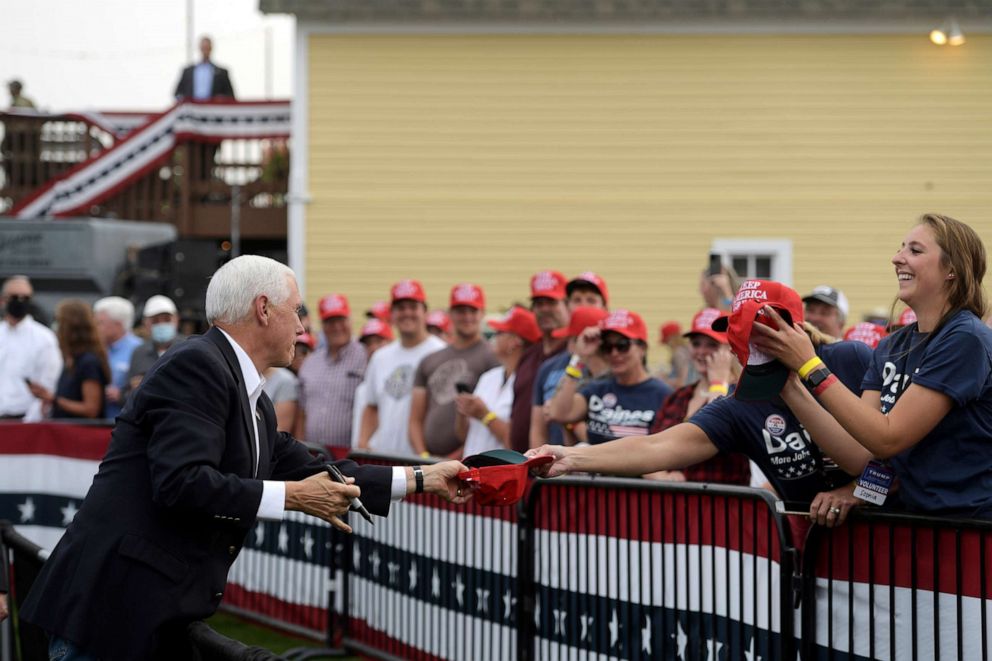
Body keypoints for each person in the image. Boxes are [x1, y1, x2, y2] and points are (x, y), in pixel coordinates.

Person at [20, 255, 470, 661]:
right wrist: (293, 498)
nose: (302, 327)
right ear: (263, 308)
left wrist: (423, 477)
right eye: (296, 310)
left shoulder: (248, 392)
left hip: (139, 617)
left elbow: (314, 468)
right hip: (107, 621)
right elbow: (182, 483)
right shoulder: (197, 366)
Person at [529, 280, 873, 528]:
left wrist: (856, 489)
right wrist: (570, 457)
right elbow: (658, 446)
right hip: (810, 551)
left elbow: (901, 447)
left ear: (792, 325)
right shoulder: (743, 400)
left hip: (893, 547)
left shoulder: (848, 359)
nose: (746, 337)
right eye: (739, 328)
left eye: (759, 326)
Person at [753, 214, 992, 520]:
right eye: (900, 248)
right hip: (910, 527)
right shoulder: (892, 345)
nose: (897, 258)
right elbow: (862, 454)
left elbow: (888, 437)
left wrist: (809, 364)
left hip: (967, 532)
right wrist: (790, 383)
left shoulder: (965, 339)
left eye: (915, 251)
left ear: (952, 270)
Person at [645, 308, 750, 485]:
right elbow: (652, 446)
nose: (702, 351)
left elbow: (712, 432)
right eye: (696, 343)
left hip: (721, 504)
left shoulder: (742, 395)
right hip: (674, 503)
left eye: (712, 345)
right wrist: (660, 476)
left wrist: (718, 382)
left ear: (730, 349)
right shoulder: (679, 396)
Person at [548, 309, 672, 443]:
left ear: (642, 348)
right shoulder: (597, 389)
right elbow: (558, 413)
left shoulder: (663, 395)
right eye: (607, 347)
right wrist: (579, 357)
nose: (614, 353)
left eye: (622, 345)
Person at [359, 280, 447, 456]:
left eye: (413, 307)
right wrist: (362, 442)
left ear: (425, 311)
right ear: (391, 314)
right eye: (401, 308)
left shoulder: (441, 353)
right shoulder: (380, 357)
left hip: (425, 460)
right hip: (385, 457)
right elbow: (372, 406)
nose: (407, 313)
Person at [410, 284, 499, 458]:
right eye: (460, 311)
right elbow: (415, 418)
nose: (467, 317)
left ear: (482, 313)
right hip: (427, 459)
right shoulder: (430, 359)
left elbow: (493, 415)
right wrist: (423, 456)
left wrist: (457, 457)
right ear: (450, 314)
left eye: (472, 311)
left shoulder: (492, 357)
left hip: (469, 460)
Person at [456, 306, 541, 457]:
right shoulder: (489, 377)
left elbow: (517, 442)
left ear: (515, 342)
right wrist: (463, 411)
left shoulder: (530, 382)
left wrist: (485, 415)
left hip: (500, 474)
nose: (494, 337)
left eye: (500, 332)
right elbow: (463, 436)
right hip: (471, 471)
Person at [509, 270, 570, 452]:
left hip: (557, 465)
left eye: (551, 302)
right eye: (538, 303)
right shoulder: (529, 354)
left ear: (567, 305)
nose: (544, 309)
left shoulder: (575, 355)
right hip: (522, 463)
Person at [530, 306, 609, 447]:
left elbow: (602, 440)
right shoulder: (573, 372)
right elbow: (566, 439)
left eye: (572, 340)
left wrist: (571, 420)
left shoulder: (612, 379)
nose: (569, 347)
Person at [294, 293, 366, 448]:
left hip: (352, 454)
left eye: (341, 320)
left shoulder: (366, 357)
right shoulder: (310, 363)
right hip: (313, 452)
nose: (337, 327)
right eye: (330, 321)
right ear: (322, 325)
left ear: (350, 320)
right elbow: (302, 413)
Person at [26, 300, 110, 420]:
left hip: (81, 435)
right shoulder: (69, 360)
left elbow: (91, 409)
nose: (55, 327)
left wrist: (53, 399)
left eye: (59, 322)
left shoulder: (88, 362)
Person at [0, 275, 62, 421]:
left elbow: (48, 383)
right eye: (14, 297)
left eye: (25, 298)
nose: (20, 302)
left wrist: (29, 422)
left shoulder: (44, 338)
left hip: (25, 421)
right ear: (3, 300)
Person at [123, 295, 185, 403]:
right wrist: (134, 390)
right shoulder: (139, 353)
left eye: (167, 319)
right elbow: (126, 396)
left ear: (177, 319)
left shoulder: (189, 348)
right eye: (155, 321)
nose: (161, 324)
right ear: (145, 324)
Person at [93, 296, 144, 419]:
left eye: (100, 323)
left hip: (126, 422)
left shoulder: (140, 350)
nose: (95, 328)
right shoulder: (96, 349)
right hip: (99, 423)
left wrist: (121, 395)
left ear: (118, 324)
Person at [351, 319, 394, 448]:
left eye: (379, 341)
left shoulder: (398, 381)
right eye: (368, 344)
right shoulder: (362, 388)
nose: (373, 347)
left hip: (392, 455)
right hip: (366, 456)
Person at [174, 36, 235, 100]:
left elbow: (230, 95)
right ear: (200, 48)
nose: (205, 51)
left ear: (211, 48)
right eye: (203, 48)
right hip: (192, 108)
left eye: (207, 48)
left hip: (212, 108)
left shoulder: (221, 73)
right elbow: (178, 93)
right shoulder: (188, 72)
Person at [656, 320, 697, 389]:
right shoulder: (686, 350)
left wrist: (662, 380)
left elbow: (682, 382)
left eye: (666, 342)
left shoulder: (679, 354)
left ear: (671, 339)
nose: (667, 345)